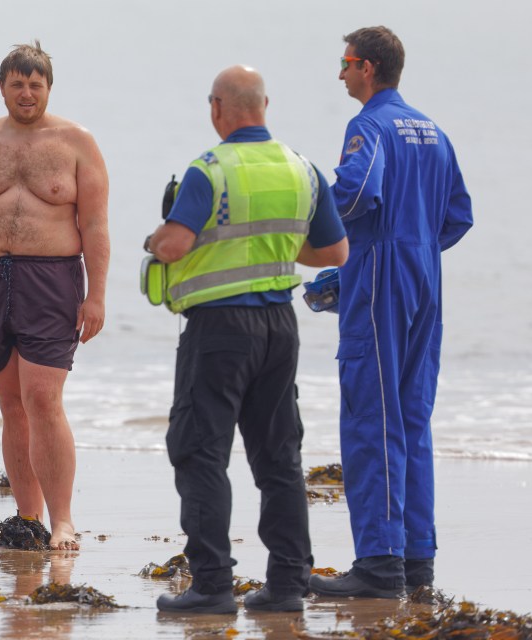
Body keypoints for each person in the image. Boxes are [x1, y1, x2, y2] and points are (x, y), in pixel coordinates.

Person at [148, 66, 349, 614]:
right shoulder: (301, 168)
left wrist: (156, 236)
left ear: (217, 107)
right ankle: (286, 586)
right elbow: (334, 253)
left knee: (199, 452)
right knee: (279, 457)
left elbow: (174, 246)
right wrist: (278, 249)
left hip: (219, 330)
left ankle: (212, 585)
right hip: (279, 329)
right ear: (265, 105)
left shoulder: (208, 170)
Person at [309, 27, 473, 599]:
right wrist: (413, 245)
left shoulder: (369, 126)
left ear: (370, 68)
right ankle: (416, 561)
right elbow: (458, 215)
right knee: (411, 419)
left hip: (383, 279)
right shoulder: (434, 130)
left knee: (370, 417)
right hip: (427, 278)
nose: (341, 74)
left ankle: (378, 565)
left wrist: (341, 251)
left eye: (347, 63)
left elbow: (353, 197)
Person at [0, 41, 109, 551]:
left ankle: (63, 521)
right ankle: (27, 517)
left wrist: (96, 295)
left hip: (50, 279)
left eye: (36, 84)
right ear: (2, 86)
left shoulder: (77, 142)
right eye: (18, 83)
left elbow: (95, 223)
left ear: (49, 88)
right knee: (11, 403)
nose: (27, 93)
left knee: (42, 398)